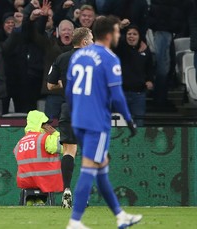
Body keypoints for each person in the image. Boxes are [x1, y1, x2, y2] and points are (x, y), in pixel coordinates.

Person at [65, 16, 141, 229]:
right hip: (96, 123)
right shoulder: (109, 58)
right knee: (89, 167)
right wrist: (129, 119)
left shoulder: (78, 56)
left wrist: (75, 115)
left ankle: (120, 216)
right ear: (109, 34)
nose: (119, 35)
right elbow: (117, 97)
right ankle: (75, 222)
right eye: (117, 31)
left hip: (78, 119)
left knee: (101, 167)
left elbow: (69, 92)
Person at [47, 27, 93, 208]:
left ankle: (66, 189)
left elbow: (50, 86)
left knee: (69, 151)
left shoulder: (61, 58)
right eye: (91, 39)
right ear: (85, 42)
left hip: (69, 108)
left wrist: (64, 83)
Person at [13, 110, 63, 205]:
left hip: (25, 181)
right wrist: (56, 134)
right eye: (46, 124)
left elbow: (16, 155)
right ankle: (40, 200)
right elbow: (61, 148)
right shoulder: (45, 138)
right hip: (44, 180)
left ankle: (31, 200)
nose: (49, 126)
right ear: (41, 125)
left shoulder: (20, 142)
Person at [115, 25, 154, 127]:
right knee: (120, 126)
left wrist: (150, 80)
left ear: (139, 36)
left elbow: (150, 68)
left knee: (139, 125)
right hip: (121, 94)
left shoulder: (145, 51)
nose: (131, 36)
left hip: (139, 95)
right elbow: (116, 38)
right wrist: (121, 27)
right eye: (129, 34)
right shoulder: (120, 49)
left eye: (134, 34)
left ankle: (137, 144)